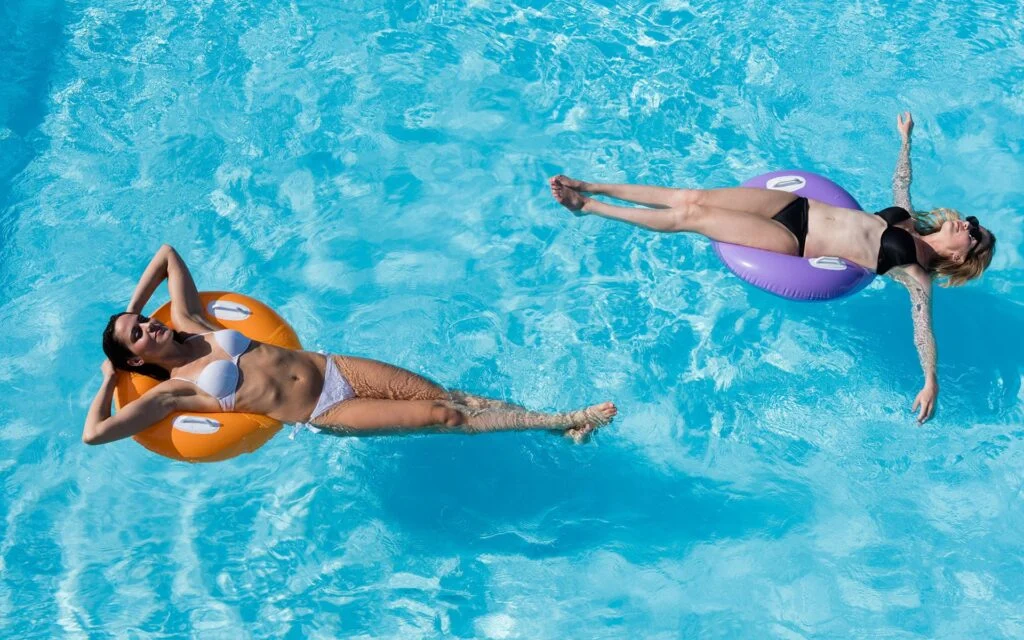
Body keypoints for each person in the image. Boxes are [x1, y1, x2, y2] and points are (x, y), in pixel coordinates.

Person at [549, 112, 995, 423]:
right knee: (692, 196)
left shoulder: (915, 271)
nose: (966, 223)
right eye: (972, 221)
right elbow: (902, 182)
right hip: (797, 204)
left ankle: (587, 206)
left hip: (796, 241)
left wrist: (930, 380)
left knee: (691, 219)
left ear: (960, 257)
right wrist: (905, 140)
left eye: (972, 233)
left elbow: (923, 329)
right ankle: (590, 184)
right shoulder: (906, 220)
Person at [84, 245, 616, 446]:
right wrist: (111, 379)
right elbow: (96, 435)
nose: (151, 328)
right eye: (139, 334)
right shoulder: (173, 394)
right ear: (136, 358)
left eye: (144, 322)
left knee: (448, 394)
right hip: (328, 406)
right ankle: (565, 418)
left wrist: (128, 309)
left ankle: (553, 426)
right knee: (443, 416)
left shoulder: (191, 321)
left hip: (336, 366)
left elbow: (167, 255)